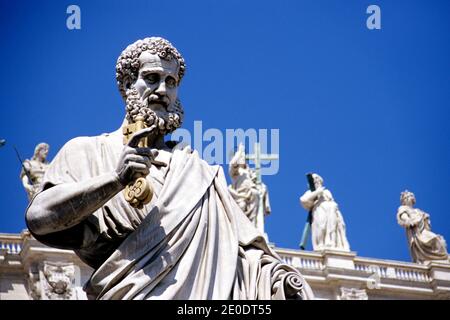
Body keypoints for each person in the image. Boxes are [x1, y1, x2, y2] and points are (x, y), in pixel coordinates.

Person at [26, 37, 313, 300]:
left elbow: (247, 255)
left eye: (171, 81)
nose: (162, 90)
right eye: (152, 78)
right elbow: (40, 218)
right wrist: (114, 180)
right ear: (127, 84)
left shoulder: (198, 171)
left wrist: (278, 279)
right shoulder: (87, 151)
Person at [300, 173, 350, 251]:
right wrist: (317, 193)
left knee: (332, 228)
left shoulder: (326, 191)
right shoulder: (311, 192)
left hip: (331, 210)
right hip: (320, 209)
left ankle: (332, 244)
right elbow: (303, 200)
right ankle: (321, 245)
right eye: (314, 179)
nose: (316, 181)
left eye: (317, 178)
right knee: (321, 226)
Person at [228, 143, 271, 233]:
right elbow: (233, 163)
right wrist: (240, 152)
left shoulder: (249, 171)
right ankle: (240, 231)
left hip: (251, 195)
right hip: (239, 196)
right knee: (242, 206)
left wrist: (258, 184)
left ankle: (253, 229)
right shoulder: (235, 171)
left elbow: (256, 181)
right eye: (241, 157)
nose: (242, 159)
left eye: (243, 157)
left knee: (256, 193)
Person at [397, 190, 448, 264]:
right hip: (416, 232)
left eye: (412, 196)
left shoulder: (417, 210)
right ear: (405, 200)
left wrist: (425, 218)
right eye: (409, 196)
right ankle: (433, 260)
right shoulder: (403, 208)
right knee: (435, 239)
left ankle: (443, 260)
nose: (411, 198)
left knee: (438, 240)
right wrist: (409, 221)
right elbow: (403, 216)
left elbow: (426, 224)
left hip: (423, 230)